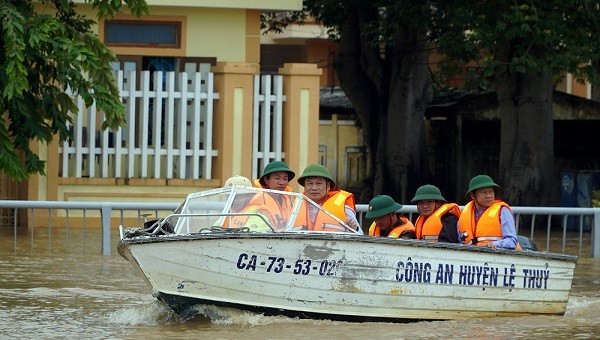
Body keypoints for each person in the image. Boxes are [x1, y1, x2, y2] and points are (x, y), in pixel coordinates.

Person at [458, 175, 521, 250]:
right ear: (472, 195)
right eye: (483, 192)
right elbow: (459, 242)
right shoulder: (465, 213)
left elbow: (512, 241)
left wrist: (493, 245)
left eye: (491, 192)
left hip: (499, 256)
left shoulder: (502, 211)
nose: (488, 196)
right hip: (472, 257)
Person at [296, 164, 361, 232]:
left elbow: (360, 234)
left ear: (328, 186)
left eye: (319, 183)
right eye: (310, 183)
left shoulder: (342, 206)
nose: (314, 188)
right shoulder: (296, 205)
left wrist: (354, 228)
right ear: (304, 186)